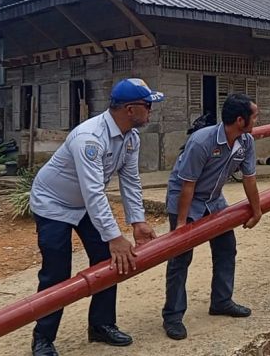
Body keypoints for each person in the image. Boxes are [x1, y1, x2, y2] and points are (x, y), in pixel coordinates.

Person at [29, 78, 163, 356]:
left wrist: (137, 222)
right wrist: (115, 236)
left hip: (84, 206)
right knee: (56, 272)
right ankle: (43, 338)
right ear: (129, 109)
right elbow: (93, 192)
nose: (151, 111)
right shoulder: (89, 138)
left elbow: (130, 180)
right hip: (53, 204)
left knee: (109, 261)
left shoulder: (130, 138)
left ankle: (101, 325)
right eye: (148, 105)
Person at [162, 94, 262, 341]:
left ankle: (221, 300)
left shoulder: (246, 141)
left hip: (214, 200)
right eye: (254, 116)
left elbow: (249, 179)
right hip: (186, 199)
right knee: (180, 258)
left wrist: (257, 210)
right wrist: (183, 225)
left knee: (226, 248)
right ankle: (172, 316)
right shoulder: (202, 141)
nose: (257, 120)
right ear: (240, 120)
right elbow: (187, 185)